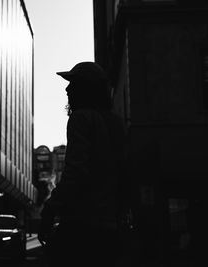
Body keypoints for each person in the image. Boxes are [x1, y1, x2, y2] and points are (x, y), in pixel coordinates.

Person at [38, 61, 128, 266]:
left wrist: (50, 209)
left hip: (82, 227)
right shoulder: (115, 123)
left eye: (73, 84)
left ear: (86, 89)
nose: (67, 89)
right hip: (109, 227)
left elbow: (75, 174)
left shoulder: (81, 119)